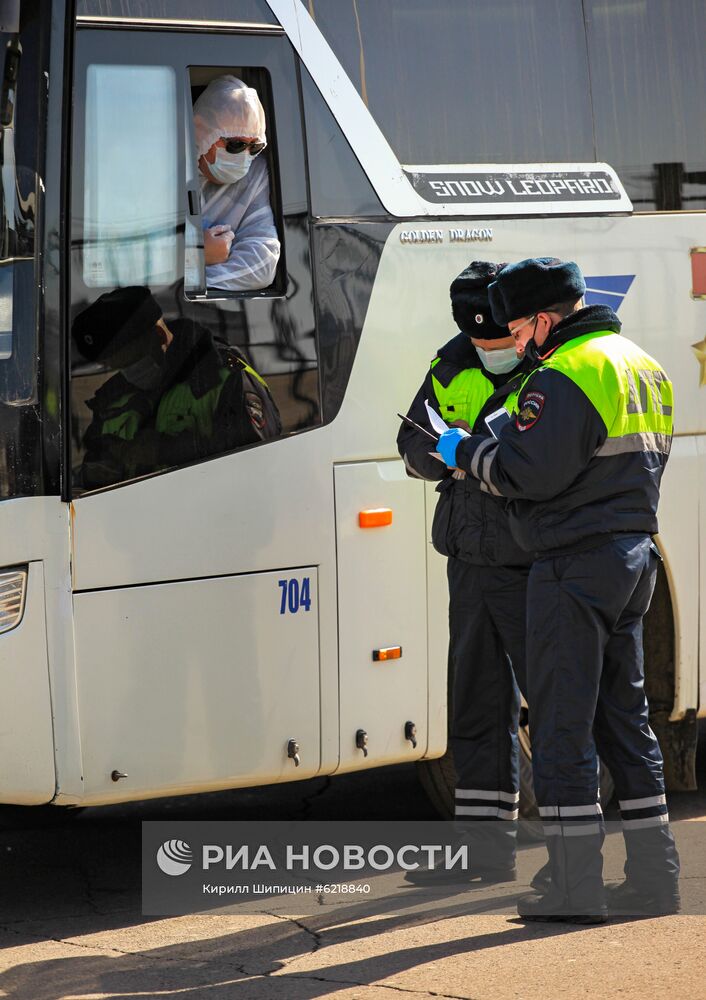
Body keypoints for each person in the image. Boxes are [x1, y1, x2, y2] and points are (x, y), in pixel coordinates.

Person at [436, 257, 680, 922]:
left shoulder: (562, 374)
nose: (515, 341)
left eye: (517, 327)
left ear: (545, 319)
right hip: (633, 557)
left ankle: (575, 890)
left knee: (561, 728)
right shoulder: (638, 362)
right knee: (627, 725)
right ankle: (655, 880)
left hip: (572, 564)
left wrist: (463, 452)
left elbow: (527, 472)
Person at [398, 261, 535, 885]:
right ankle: (484, 850)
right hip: (471, 558)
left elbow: (537, 461)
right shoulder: (449, 363)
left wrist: (468, 458)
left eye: (499, 340)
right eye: (479, 341)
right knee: (476, 703)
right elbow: (412, 443)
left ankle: (574, 860)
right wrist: (455, 458)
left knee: (560, 706)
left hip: (535, 559)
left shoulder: (544, 361)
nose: (490, 352)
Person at [72, 286, 279, 489]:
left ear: (160, 336)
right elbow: (92, 466)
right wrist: (95, 473)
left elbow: (258, 461)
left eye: (132, 361)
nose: (126, 373)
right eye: (116, 366)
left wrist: (164, 450)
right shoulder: (111, 400)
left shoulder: (223, 377)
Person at [193, 75, 280, 292]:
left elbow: (261, 263)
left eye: (255, 147)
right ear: (202, 133)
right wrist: (194, 256)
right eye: (236, 145)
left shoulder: (256, 175)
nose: (245, 156)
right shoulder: (161, 172)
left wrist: (189, 277)